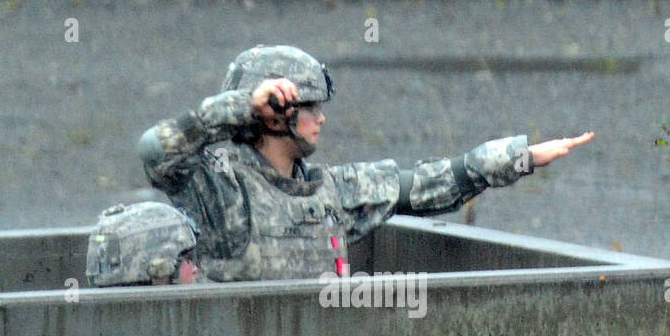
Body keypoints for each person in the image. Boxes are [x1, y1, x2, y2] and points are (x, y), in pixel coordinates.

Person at [134, 44, 593, 283]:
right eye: (310, 107)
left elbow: (430, 183)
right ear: (276, 113)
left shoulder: (330, 192)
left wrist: (522, 157)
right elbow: (156, 151)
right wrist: (240, 107)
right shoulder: (219, 189)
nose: (321, 118)